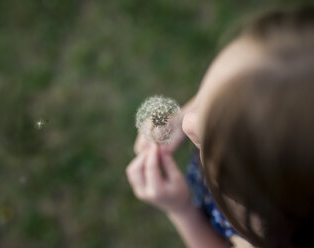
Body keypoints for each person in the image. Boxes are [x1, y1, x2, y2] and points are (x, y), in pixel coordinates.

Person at [126, 5, 314, 248]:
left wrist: (182, 211)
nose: (188, 122)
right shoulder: (278, 70)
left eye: (212, 136)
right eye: (206, 97)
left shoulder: (264, 235)